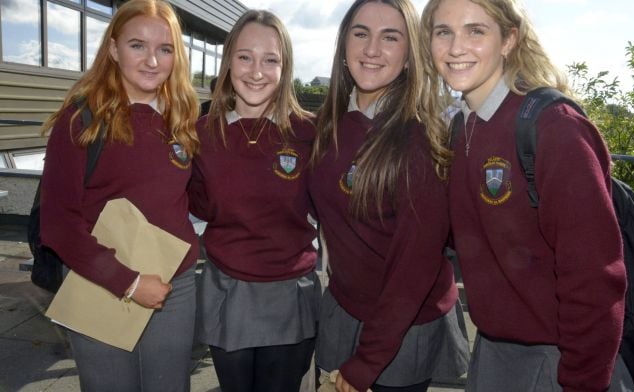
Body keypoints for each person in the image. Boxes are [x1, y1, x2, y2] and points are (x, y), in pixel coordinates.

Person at [420, 0, 634, 390]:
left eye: (475, 30)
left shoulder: (553, 127)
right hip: (493, 352)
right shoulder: (462, 128)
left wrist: (582, 380)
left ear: (509, 39)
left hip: (559, 361)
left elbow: (594, 274)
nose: (455, 47)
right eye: (443, 31)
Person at [39, 0, 200, 390]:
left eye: (165, 49)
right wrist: (128, 282)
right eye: (137, 46)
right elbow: (58, 224)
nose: (152, 61)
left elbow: (192, 199)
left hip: (173, 287)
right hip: (100, 282)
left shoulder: (184, 119)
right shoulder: (81, 120)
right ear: (113, 49)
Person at [309, 1, 469, 391]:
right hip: (343, 310)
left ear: (411, 54)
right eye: (361, 33)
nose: (371, 49)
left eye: (390, 37)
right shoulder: (327, 126)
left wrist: (369, 358)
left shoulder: (419, 137)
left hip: (402, 327)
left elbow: (415, 265)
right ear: (343, 44)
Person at [187, 10, 319, 392]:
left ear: (285, 67)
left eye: (270, 59)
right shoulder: (200, 134)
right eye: (245, 57)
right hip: (228, 291)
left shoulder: (309, 133)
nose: (256, 71)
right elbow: (196, 204)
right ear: (228, 61)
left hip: (290, 295)